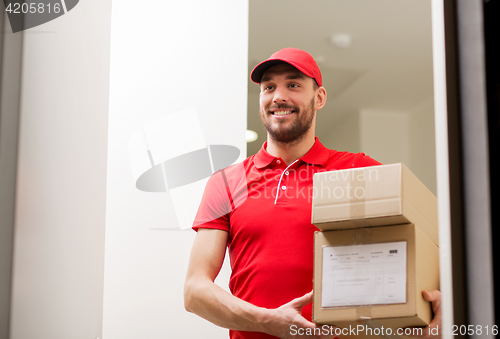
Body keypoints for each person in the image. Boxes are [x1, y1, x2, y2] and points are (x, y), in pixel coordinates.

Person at [184, 48, 441, 339]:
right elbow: (195, 291)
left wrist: (447, 298)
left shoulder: (356, 169)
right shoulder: (227, 182)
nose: (278, 96)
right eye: (269, 87)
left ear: (319, 98)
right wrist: (269, 321)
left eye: (293, 85)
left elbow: (434, 237)